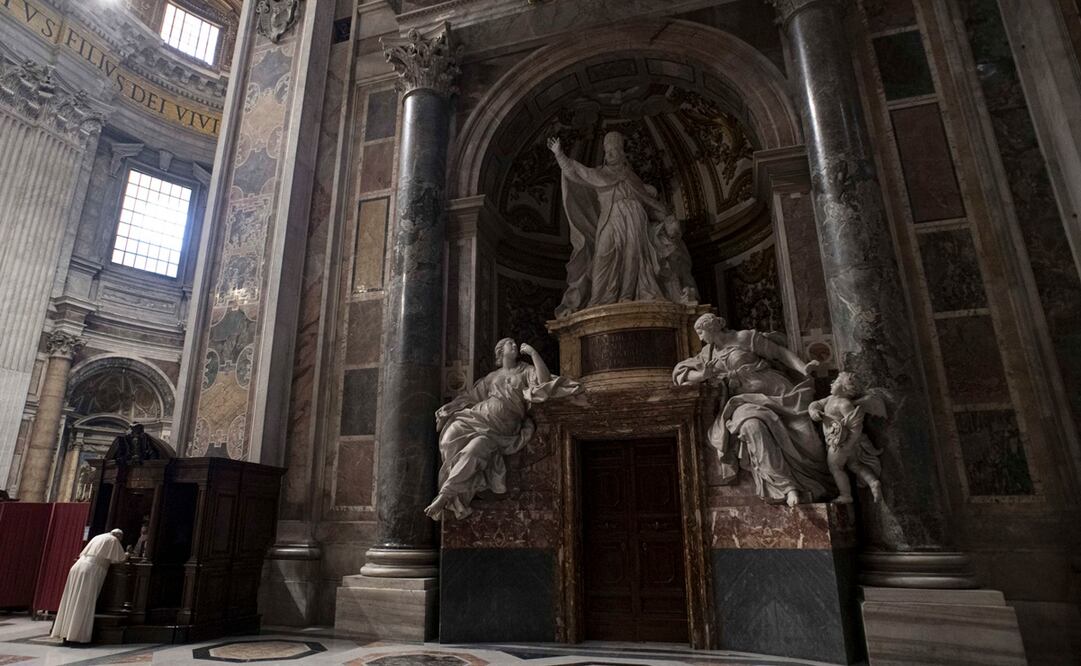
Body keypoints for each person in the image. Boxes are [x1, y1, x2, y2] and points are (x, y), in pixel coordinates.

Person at [673, 313, 834, 506]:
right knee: (751, 426)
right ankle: (786, 487)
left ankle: (818, 484)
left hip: (777, 391)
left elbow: (780, 353)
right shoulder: (707, 353)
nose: (700, 338)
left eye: (701, 332)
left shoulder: (745, 338)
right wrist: (702, 375)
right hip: (744, 402)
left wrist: (803, 368)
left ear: (712, 328)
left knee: (810, 441)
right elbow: (680, 373)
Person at [425, 338, 582, 520]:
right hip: (478, 417)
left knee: (474, 446)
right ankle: (448, 494)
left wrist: (533, 354)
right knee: (452, 438)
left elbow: (544, 382)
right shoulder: (492, 377)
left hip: (502, 428)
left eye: (515, 344)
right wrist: (450, 408)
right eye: (510, 344)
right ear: (500, 351)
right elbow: (471, 397)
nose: (515, 346)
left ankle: (447, 494)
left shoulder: (525, 370)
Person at [548, 131, 697, 316]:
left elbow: (651, 205)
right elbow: (575, 173)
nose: (609, 154)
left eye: (613, 150)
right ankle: (597, 301)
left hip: (636, 220)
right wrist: (559, 154)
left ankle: (626, 295)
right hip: (611, 219)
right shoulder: (599, 174)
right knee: (602, 257)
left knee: (633, 257)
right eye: (607, 150)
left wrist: (667, 219)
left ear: (621, 152)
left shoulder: (632, 177)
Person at [809, 372, 887, 503]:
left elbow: (856, 427)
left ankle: (846, 495)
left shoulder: (844, 404)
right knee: (854, 465)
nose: (832, 383)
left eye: (837, 381)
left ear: (845, 388)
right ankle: (873, 482)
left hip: (841, 443)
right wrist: (813, 411)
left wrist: (848, 444)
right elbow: (815, 403)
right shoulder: (830, 399)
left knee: (835, 467)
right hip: (838, 441)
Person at [51, 529, 128, 644]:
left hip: (77, 567)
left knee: (71, 601)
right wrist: (127, 554)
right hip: (90, 570)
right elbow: (120, 559)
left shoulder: (99, 536)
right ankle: (76, 636)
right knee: (83, 602)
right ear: (119, 536)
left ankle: (65, 633)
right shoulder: (113, 540)